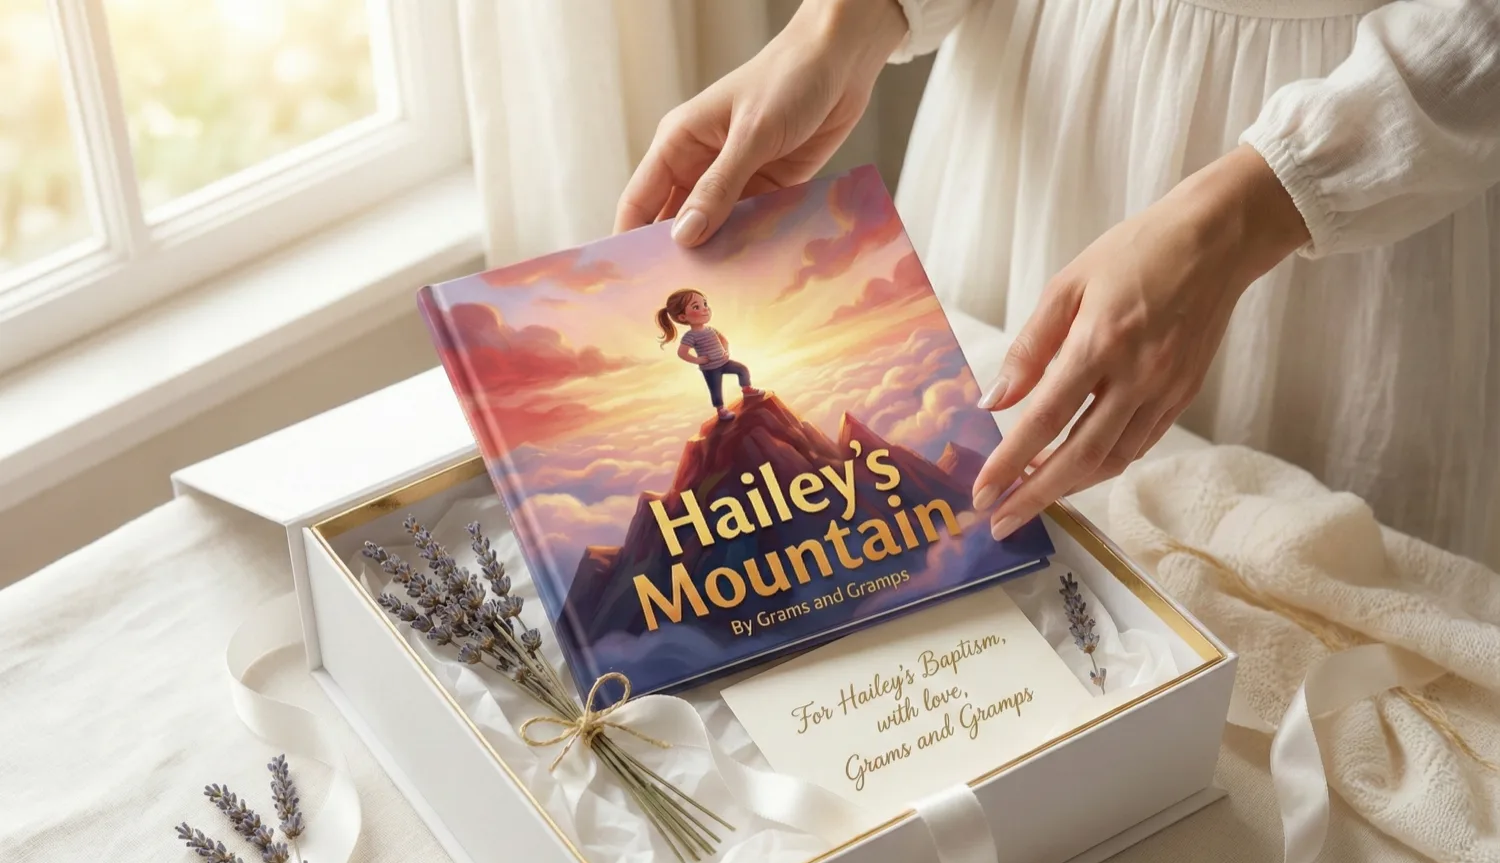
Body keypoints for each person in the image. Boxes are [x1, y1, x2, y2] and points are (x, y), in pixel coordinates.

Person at [615, 0, 1500, 568]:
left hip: (1363, 154)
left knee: (1305, 598)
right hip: (1035, 106)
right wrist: (846, 23)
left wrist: (1262, 203)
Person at [657, 287, 763, 421]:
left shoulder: (711, 329)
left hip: (724, 362)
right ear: (683, 317)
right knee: (715, 389)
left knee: (742, 369)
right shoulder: (691, 336)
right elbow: (682, 353)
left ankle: (747, 390)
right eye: (696, 307)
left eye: (705, 304)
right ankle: (721, 410)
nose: (705, 308)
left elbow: (724, 339)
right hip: (710, 368)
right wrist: (698, 360)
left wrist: (726, 352)